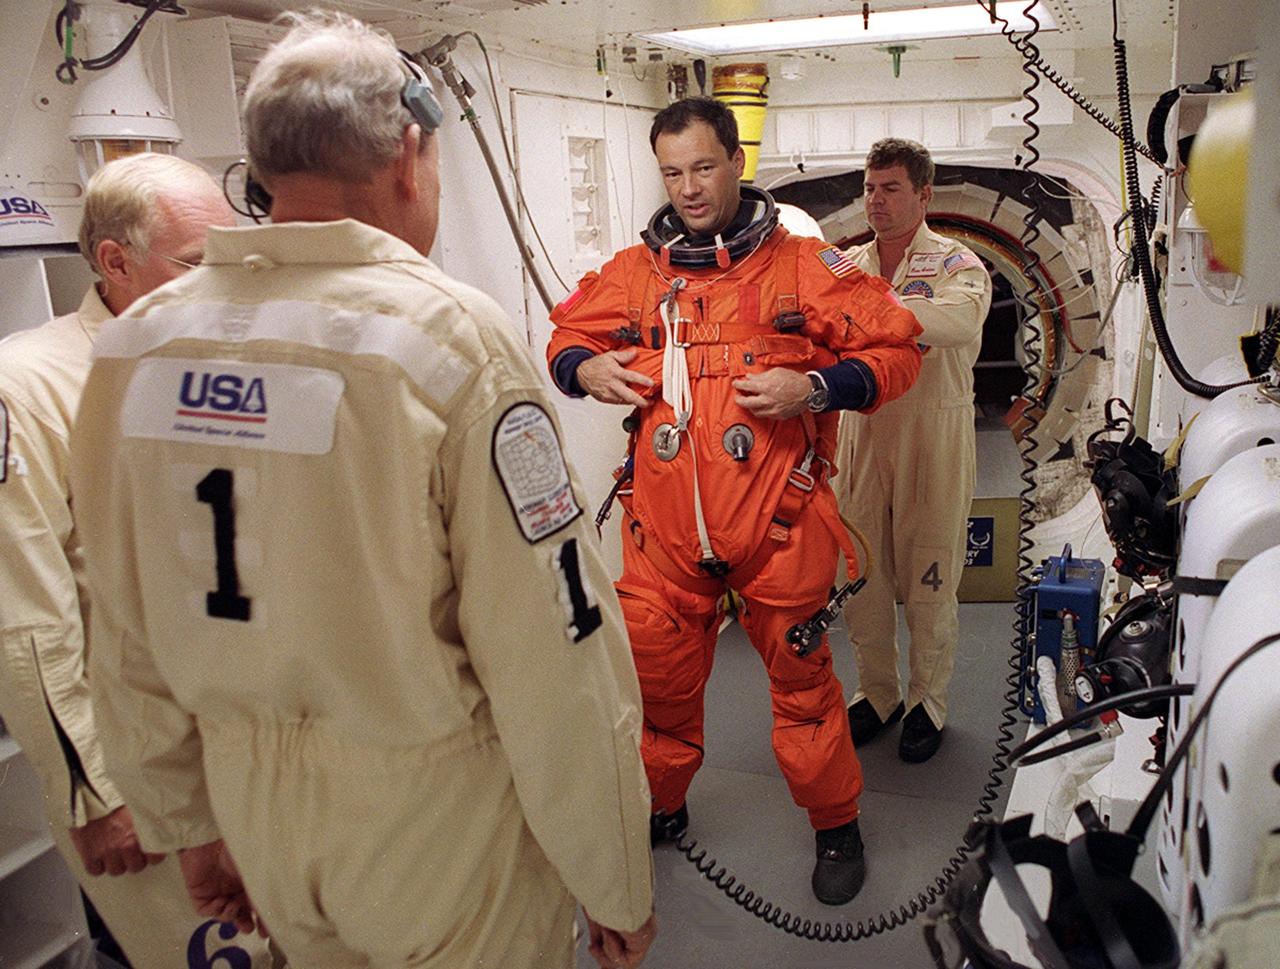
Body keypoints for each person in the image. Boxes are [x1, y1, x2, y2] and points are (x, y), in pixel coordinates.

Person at [69, 12, 655, 969]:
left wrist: (189, 818)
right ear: (409, 154)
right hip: (434, 825)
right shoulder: (444, 340)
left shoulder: (137, 346)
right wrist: (614, 870)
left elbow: (121, 613)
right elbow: (555, 642)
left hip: (256, 813)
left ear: (262, 169)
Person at [547, 97, 923, 906]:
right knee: (660, 692)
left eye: (703, 167)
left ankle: (835, 822)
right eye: (672, 172)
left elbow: (896, 349)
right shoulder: (637, 275)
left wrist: (817, 383)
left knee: (804, 691)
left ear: (736, 163)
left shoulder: (802, 268)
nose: (687, 188)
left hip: (776, 530)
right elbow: (563, 335)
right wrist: (584, 370)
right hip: (665, 542)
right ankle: (663, 806)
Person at [0, 153, 287, 966]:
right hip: (139, 766)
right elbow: (26, 613)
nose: (222, 284)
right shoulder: (28, 386)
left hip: (252, 745)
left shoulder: (223, 360)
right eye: (198, 264)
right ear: (115, 261)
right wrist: (97, 789)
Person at [835, 138, 993, 764]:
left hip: (934, 431)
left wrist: (874, 310)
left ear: (923, 195)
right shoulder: (845, 263)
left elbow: (957, 323)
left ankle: (928, 702)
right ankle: (877, 694)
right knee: (862, 572)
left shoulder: (959, 264)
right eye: (870, 188)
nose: (876, 199)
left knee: (930, 576)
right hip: (863, 430)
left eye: (891, 188)